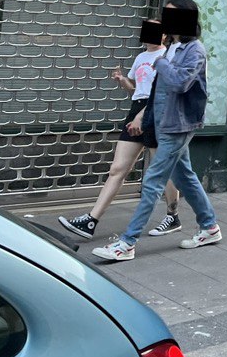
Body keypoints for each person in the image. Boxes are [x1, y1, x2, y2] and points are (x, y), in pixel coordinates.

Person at [92, 0, 221, 261]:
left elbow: (180, 83)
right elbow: (156, 91)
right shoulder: (172, 47)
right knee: (185, 176)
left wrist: (161, 64)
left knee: (152, 181)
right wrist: (145, 118)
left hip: (178, 125)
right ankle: (209, 226)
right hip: (163, 122)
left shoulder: (194, 50)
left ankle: (126, 244)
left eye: (172, 15)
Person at [57, 25, 182, 239]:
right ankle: (91, 221)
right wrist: (124, 81)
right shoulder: (141, 56)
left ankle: (172, 215)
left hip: (155, 112)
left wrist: (142, 116)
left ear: (164, 35)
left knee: (162, 170)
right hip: (136, 109)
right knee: (117, 169)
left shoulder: (167, 56)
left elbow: (161, 92)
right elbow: (137, 88)